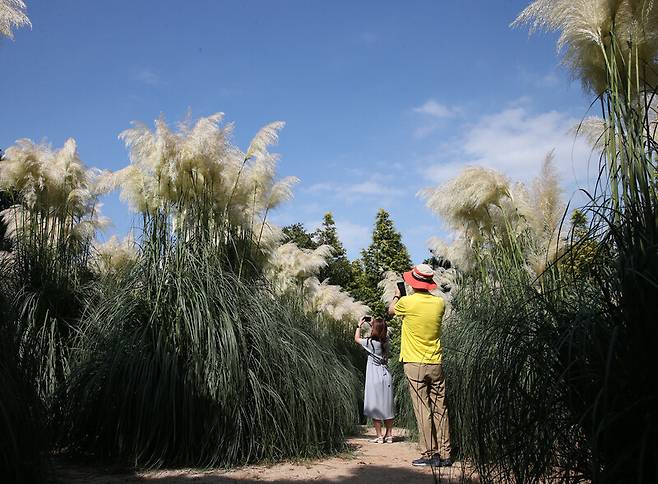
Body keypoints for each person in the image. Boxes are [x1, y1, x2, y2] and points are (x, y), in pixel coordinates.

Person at [388, 263, 452, 467]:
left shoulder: (406, 302)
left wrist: (398, 294)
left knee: (423, 409)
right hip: (436, 362)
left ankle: (429, 454)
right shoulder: (440, 303)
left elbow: (390, 311)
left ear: (413, 282)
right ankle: (446, 454)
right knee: (441, 408)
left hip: (414, 363)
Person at [354, 317, 395, 443]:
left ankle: (379, 436)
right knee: (387, 405)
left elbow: (356, 339)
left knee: (375, 405)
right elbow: (382, 332)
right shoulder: (386, 342)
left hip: (374, 377)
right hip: (386, 376)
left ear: (374, 329)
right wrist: (376, 323)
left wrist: (359, 325)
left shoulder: (370, 343)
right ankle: (389, 435)